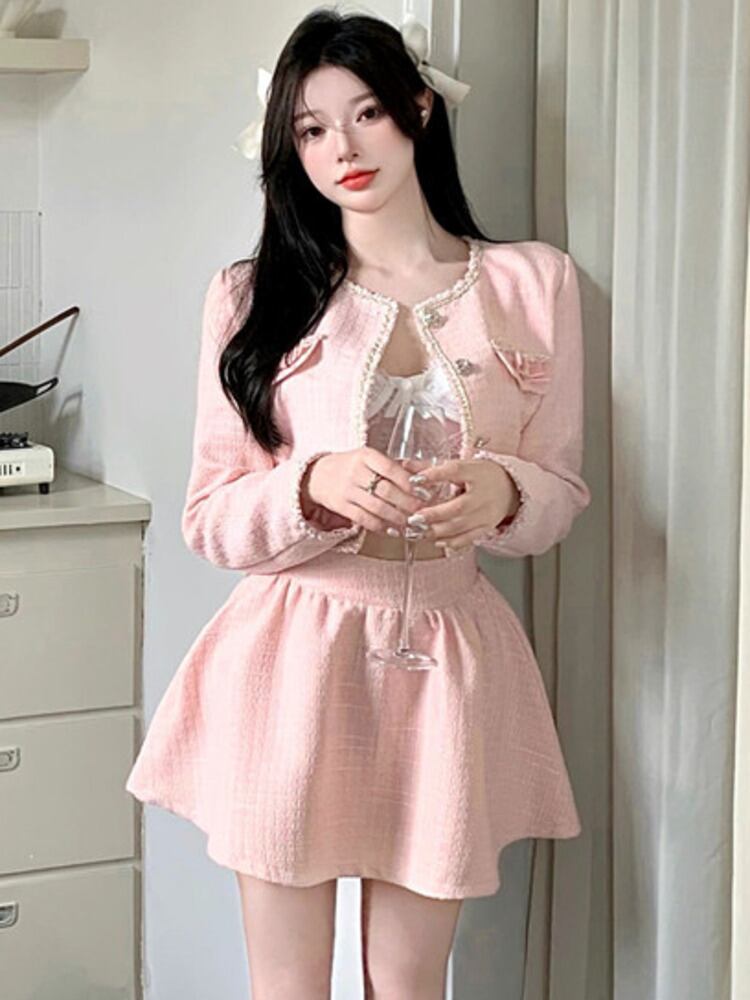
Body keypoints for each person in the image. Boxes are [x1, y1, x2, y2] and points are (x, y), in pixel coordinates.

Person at [125, 8, 592, 999]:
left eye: (366, 113)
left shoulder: (533, 282)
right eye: (311, 128)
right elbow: (210, 517)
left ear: (418, 109)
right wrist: (312, 484)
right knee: (289, 987)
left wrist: (508, 489)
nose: (342, 148)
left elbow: (561, 492)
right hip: (292, 659)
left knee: (410, 986)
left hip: (447, 666)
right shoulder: (250, 296)